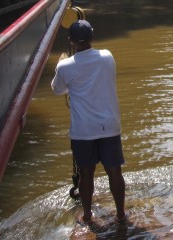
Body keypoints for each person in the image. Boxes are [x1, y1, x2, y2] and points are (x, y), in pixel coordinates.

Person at [51, 20, 126, 224]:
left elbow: (57, 90)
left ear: (71, 41)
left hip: (83, 130)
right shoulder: (107, 57)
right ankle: (121, 214)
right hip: (109, 126)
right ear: (92, 37)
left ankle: (87, 214)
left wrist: (63, 63)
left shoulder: (65, 66)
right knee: (114, 172)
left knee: (86, 173)